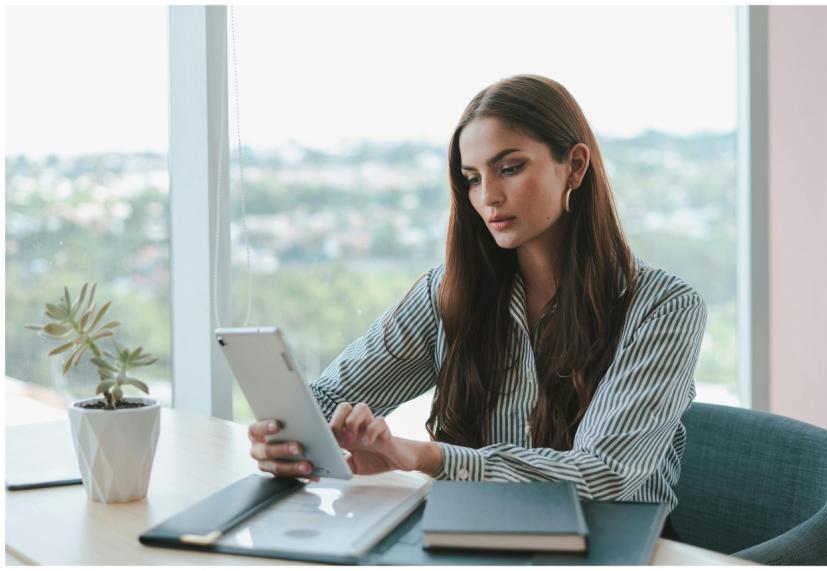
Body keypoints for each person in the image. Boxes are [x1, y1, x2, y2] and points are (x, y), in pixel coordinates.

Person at [247, 74, 707, 533]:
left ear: (575, 166)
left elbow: (602, 475)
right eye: (472, 178)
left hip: (609, 548)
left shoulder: (663, 308)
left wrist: (425, 456)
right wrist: (291, 439)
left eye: (509, 168)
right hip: (472, 536)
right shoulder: (448, 294)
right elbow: (329, 398)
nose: (488, 197)